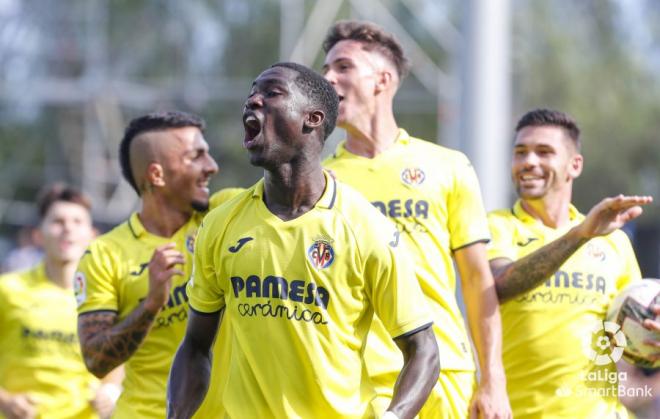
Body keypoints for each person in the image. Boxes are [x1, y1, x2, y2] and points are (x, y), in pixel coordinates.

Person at [167, 62, 439, 419]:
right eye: (251, 93)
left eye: (271, 93)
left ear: (312, 119)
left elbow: (423, 351)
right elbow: (196, 346)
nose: (253, 101)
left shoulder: (365, 228)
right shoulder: (222, 224)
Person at [321, 20, 510, 419]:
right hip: (360, 382)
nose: (327, 78)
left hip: (444, 373)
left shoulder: (447, 166)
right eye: (325, 70)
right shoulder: (321, 182)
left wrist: (493, 381)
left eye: (342, 67)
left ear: (382, 80)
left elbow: (478, 281)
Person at [486, 108, 656, 418]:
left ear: (574, 165)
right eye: (520, 152)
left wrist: (654, 335)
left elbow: (628, 337)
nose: (528, 162)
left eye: (544, 152)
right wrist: (580, 235)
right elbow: (499, 285)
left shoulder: (614, 241)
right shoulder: (495, 227)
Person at [76, 111, 241, 418]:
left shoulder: (226, 212)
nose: (212, 166)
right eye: (197, 156)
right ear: (157, 175)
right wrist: (151, 304)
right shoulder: (104, 254)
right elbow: (96, 361)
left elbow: (287, 201)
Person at [0, 184, 121, 419]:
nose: (68, 230)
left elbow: (117, 364)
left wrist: (111, 390)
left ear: (93, 235)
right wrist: (5, 400)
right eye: (58, 222)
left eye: (77, 222)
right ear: (38, 234)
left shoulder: (108, 298)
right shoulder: (7, 290)